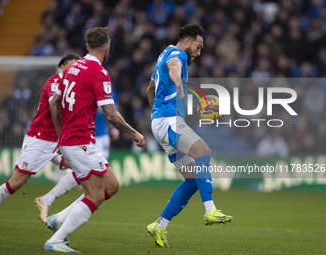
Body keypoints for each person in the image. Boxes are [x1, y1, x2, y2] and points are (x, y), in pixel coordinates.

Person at [44, 27, 145, 253]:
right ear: (107, 48)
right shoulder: (99, 72)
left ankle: (58, 219)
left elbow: (53, 102)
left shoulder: (71, 68)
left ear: (87, 46)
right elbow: (111, 115)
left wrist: (60, 134)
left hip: (74, 140)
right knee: (95, 195)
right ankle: (56, 239)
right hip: (80, 142)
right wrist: (135, 133)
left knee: (112, 186)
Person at [145, 24, 233, 248]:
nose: (199, 52)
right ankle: (210, 210)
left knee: (194, 179)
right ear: (188, 40)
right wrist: (177, 82)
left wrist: (156, 118)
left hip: (161, 122)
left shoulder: (162, 54)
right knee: (203, 151)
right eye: (199, 46)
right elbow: (175, 67)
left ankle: (159, 225)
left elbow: (149, 90)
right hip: (169, 121)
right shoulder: (177, 54)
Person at [0, 53, 81, 234]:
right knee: (17, 182)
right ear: (62, 67)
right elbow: (56, 103)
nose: (74, 70)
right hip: (40, 139)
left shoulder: (74, 87)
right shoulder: (54, 82)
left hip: (58, 141)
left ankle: (46, 200)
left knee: (83, 168)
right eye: (71, 66)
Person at [34, 91, 120, 223]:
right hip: (85, 137)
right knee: (90, 172)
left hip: (101, 136)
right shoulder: (82, 89)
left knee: (97, 174)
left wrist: (113, 129)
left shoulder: (107, 92)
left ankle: (83, 199)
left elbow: (110, 112)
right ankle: (53, 200)